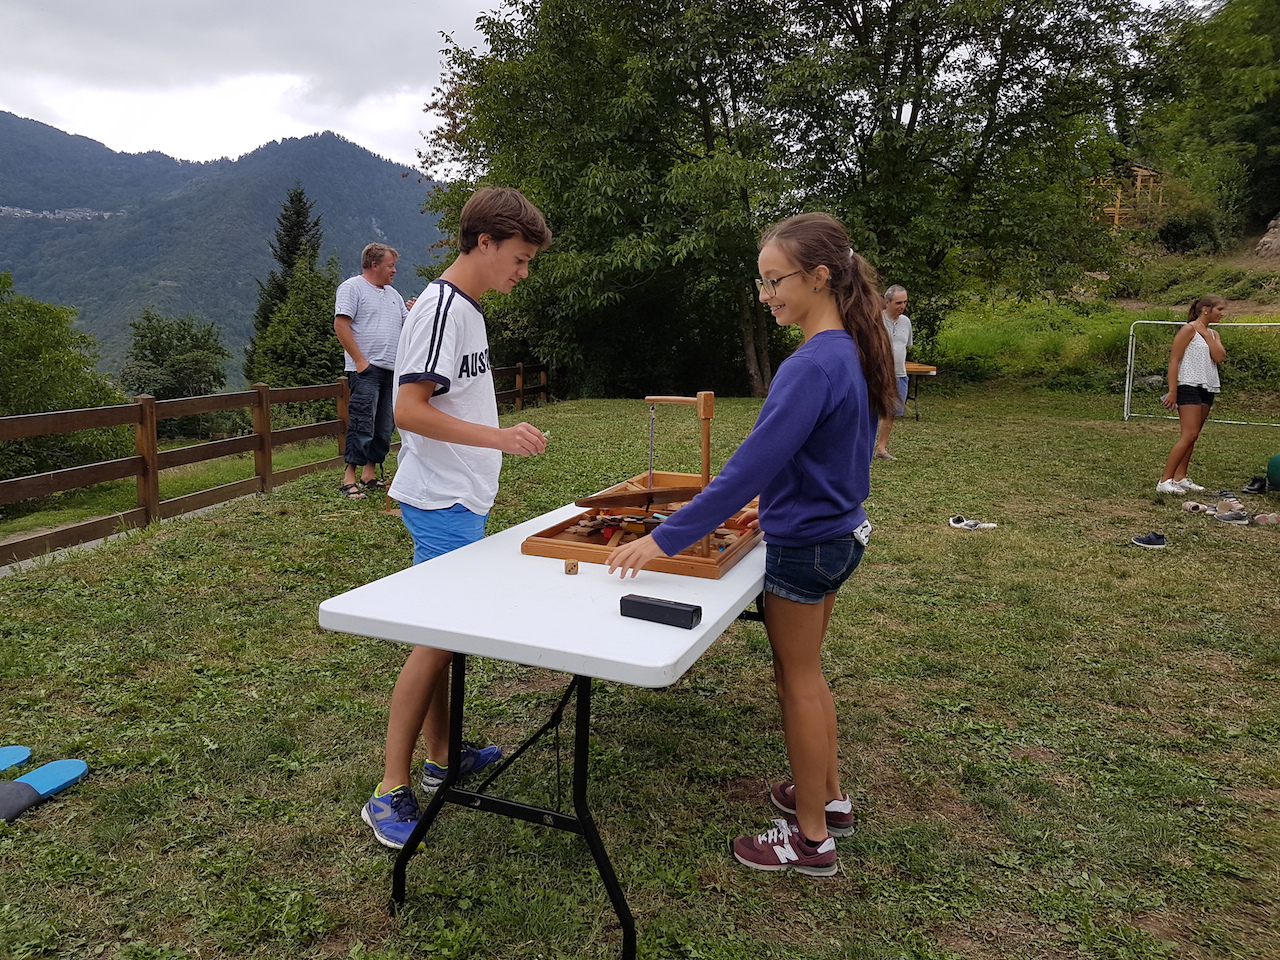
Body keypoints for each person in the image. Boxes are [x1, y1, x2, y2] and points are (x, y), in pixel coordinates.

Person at [606, 212, 896, 876]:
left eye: (776, 281)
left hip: (809, 545)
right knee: (809, 676)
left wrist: (666, 539)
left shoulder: (809, 365)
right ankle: (829, 796)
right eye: (762, 283)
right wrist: (789, 496)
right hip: (840, 532)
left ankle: (812, 838)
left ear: (820, 276)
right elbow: (826, 457)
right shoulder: (848, 347)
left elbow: (745, 471)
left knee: (798, 682)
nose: (767, 296)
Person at [360, 188, 552, 849]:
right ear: (484, 242)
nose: (522, 273)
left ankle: (441, 756)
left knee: (448, 636)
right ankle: (389, 789)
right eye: (520, 259)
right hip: (439, 500)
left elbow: (455, 399)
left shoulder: (465, 310)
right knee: (435, 636)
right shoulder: (441, 308)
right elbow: (407, 411)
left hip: (461, 499)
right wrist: (500, 440)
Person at [335, 243, 413, 499]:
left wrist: (414, 311)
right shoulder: (352, 288)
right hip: (366, 371)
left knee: (384, 426)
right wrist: (360, 361)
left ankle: (369, 474)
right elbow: (341, 325)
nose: (394, 271)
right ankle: (349, 478)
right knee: (361, 422)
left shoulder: (393, 294)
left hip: (392, 371)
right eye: (391, 265)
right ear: (374, 264)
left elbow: (406, 324)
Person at [1156, 295, 1227, 494]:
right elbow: (1174, 360)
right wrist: (1172, 390)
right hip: (1188, 385)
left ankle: (1181, 477)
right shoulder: (1188, 329)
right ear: (1206, 309)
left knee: (1193, 436)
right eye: (1219, 309)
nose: (1222, 313)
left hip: (1208, 386)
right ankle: (1165, 480)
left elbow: (1219, 357)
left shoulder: (1213, 333)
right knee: (1189, 434)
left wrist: (1206, 334)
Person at [873, 284, 911, 460]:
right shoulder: (876, 321)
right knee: (871, 411)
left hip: (899, 374)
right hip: (879, 374)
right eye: (898, 302)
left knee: (891, 413)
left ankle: (881, 449)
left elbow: (905, 346)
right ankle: (864, 447)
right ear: (887, 302)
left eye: (904, 302)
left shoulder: (906, 322)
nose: (902, 306)